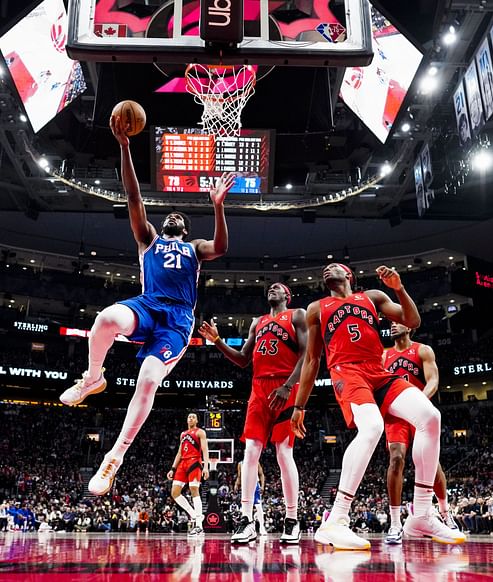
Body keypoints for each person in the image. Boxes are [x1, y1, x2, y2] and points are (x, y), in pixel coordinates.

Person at [59, 114, 235, 495]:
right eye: (169, 214)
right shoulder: (148, 238)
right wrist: (124, 147)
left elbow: (221, 247)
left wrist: (218, 206)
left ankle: (114, 458)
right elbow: (134, 197)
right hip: (147, 304)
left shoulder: (194, 249)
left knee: (150, 380)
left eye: (179, 217)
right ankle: (93, 378)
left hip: (177, 321)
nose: (172, 216)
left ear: (185, 229)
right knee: (105, 318)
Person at [291, 263, 466, 549]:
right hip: (347, 371)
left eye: (335, 266)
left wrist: (398, 288)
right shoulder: (316, 308)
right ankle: (335, 520)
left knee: (430, 417)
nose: (327, 269)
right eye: (325, 268)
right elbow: (312, 360)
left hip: (378, 371)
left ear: (349, 276)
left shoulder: (371, 297)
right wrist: (299, 406)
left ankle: (421, 513)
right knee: (372, 427)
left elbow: (413, 320)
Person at [199, 283, 307, 544]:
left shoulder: (297, 315)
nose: (273, 289)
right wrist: (217, 341)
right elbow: (242, 359)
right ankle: (246, 519)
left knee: (283, 453)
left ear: (287, 296)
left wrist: (288, 385)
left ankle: (292, 520)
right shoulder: (257, 322)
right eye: (271, 288)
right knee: (249, 453)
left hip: (285, 385)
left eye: (278, 288)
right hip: (258, 388)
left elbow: (307, 355)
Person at [383, 322, 459, 544]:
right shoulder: (383, 356)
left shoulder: (422, 350)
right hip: (395, 416)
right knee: (396, 459)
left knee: (433, 468)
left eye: (398, 322)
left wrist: (418, 403)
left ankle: (445, 513)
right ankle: (395, 523)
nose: (393, 325)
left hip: (418, 412)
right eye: (391, 323)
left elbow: (433, 380)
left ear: (410, 327)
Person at [167, 413, 209, 536]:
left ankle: (199, 527)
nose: (190, 418)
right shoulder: (183, 434)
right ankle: (195, 515)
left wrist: (206, 467)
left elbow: (205, 449)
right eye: (189, 417)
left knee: (194, 489)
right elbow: (179, 453)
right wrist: (173, 468)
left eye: (193, 417)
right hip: (183, 463)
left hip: (195, 461)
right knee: (174, 492)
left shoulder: (200, 432)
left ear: (196, 420)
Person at [235, 460, 267, 537]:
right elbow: (239, 476)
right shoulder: (240, 464)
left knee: (258, 507)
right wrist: (236, 484)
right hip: (245, 486)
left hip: (255, 485)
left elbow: (261, 474)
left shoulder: (256, 462)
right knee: (245, 508)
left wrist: (262, 486)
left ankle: (262, 527)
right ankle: (248, 526)